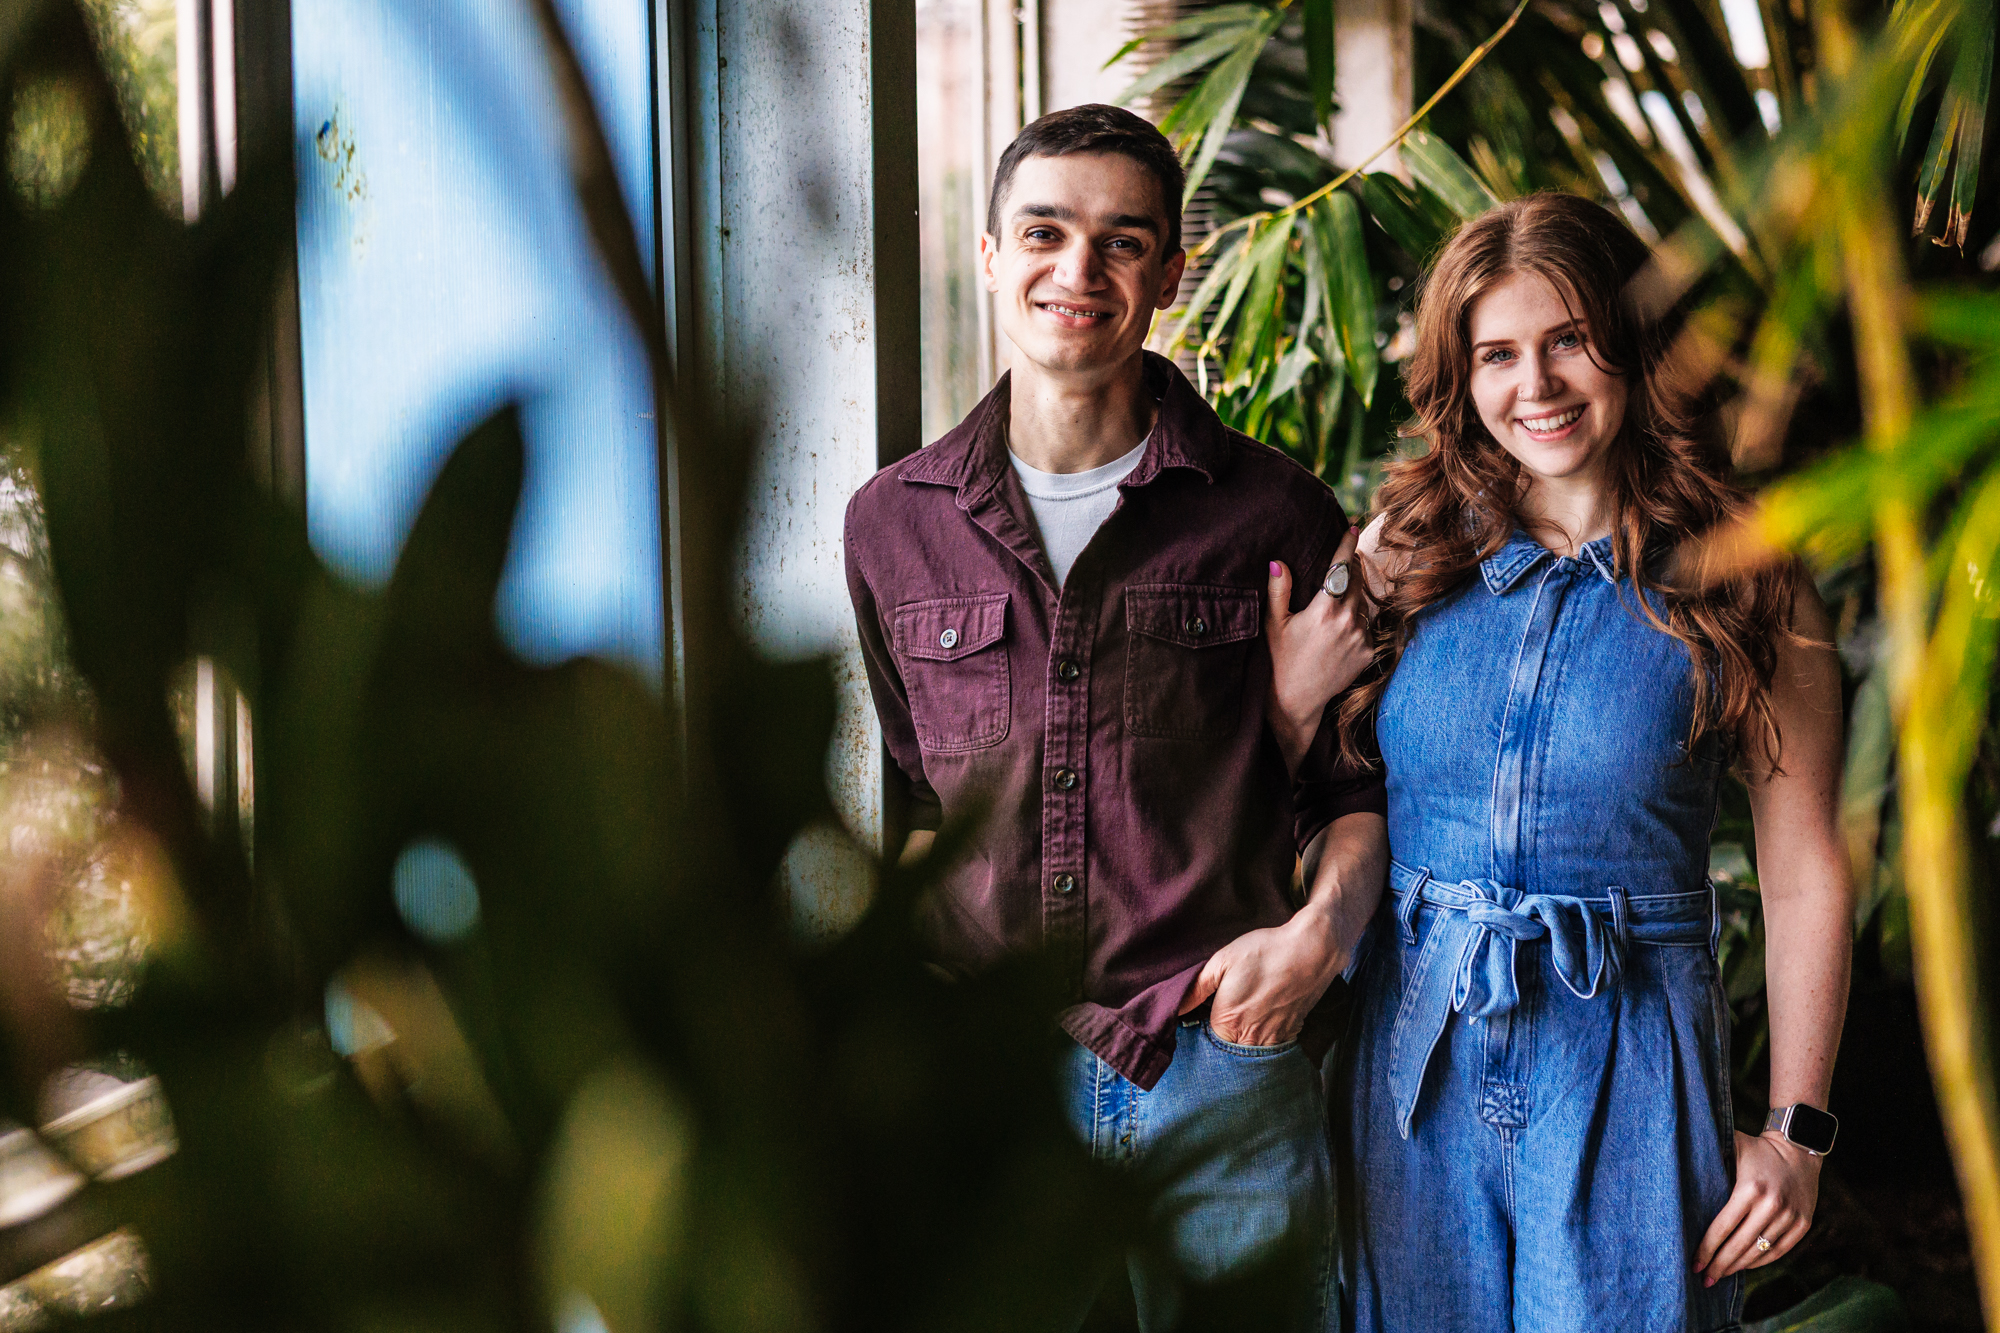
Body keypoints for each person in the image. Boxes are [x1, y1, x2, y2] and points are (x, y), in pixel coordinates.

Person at [841, 104, 1383, 1329]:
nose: (1076, 271)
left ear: (1169, 273)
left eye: (1121, 242)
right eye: (1043, 231)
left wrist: (1315, 942)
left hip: (1220, 1060)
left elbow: (1353, 795)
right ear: (988, 253)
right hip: (991, 1091)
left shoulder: (1273, 513)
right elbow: (921, 803)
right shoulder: (891, 524)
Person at [1276, 192, 1852, 1331]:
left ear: (1634, 346)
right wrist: (1292, 692)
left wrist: (1798, 1133)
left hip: (1631, 1059)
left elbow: (1803, 874)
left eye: (1567, 342)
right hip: (1413, 1059)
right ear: (1460, 374)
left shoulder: (1747, 577)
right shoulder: (1402, 552)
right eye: (1496, 353)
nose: (1532, 385)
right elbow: (1294, 765)